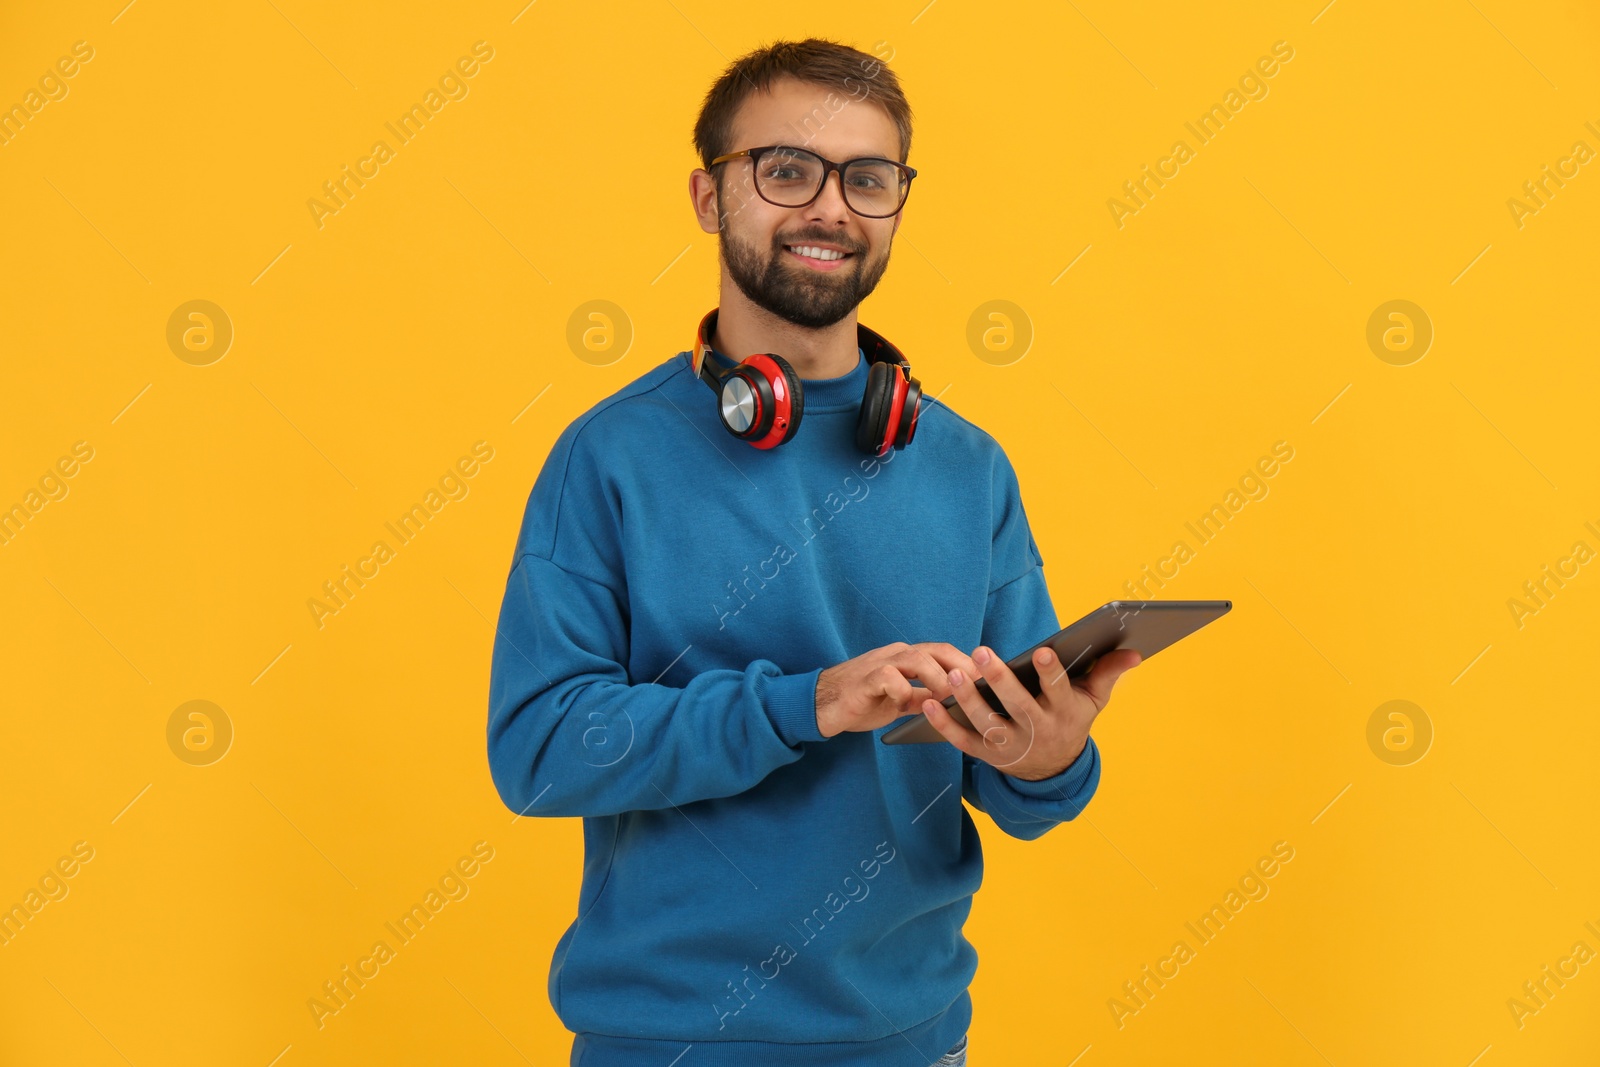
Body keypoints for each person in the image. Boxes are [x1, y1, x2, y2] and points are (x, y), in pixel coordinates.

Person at [486, 37, 1142, 1067]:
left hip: (917, 1041)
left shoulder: (969, 468)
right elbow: (535, 748)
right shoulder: (607, 457)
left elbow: (1020, 779)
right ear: (709, 198)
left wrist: (1046, 754)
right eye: (785, 170)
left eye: (866, 179)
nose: (830, 208)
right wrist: (809, 702)